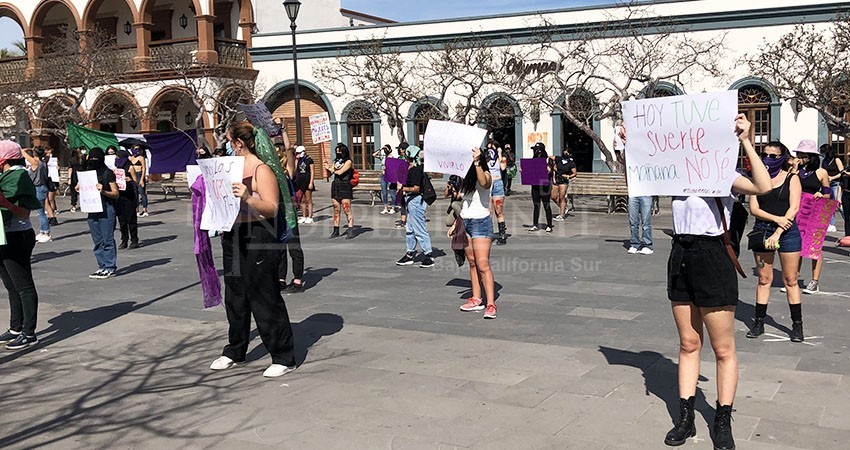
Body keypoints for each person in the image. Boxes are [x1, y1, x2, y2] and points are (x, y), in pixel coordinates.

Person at [645, 115, 771, 450]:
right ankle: (685, 419)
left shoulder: (722, 174)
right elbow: (641, 172)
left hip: (713, 255)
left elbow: (764, 187)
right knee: (688, 343)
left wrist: (746, 140)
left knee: (723, 347)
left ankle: (722, 419)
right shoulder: (674, 173)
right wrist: (633, 142)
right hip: (680, 252)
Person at [209, 122, 297, 378]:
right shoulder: (227, 167)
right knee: (235, 295)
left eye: (228, 141)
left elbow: (272, 208)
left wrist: (248, 197)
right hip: (233, 234)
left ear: (239, 142)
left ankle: (283, 355)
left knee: (263, 294)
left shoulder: (261, 169)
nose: (226, 145)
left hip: (258, 234)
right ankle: (235, 349)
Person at [746, 140, 805, 343]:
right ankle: (759, 321)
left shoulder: (791, 178)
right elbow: (754, 208)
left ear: (782, 158)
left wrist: (779, 231)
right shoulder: (756, 179)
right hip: (762, 231)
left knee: (790, 279)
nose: (768, 159)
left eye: (773, 156)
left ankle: (797, 325)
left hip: (787, 233)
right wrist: (775, 220)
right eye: (765, 155)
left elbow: (794, 208)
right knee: (764, 279)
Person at [0, 140, 45, 350]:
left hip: (17, 236)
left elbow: (24, 211)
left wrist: (6, 204)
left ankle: (29, 332)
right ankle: (16, 327)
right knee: (11, 286)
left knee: (23, 285)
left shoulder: (18, 176)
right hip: (4, 235)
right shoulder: (7, 176)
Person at [454, 146, 498, 319]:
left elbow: (484, 183)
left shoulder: (486, 175)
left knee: (482, 263)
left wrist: (477, 162)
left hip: (481, 222)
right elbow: (464, 201)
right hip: (466, 222)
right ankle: (476, 298)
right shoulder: (466, 179)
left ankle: (491, 304)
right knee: (472, 262)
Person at [787, 140, 831, 294]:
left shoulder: (821, 172)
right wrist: (794, 168)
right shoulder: (795, 172)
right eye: (798, 155)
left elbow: (828, 193)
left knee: (814, 246)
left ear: (812, 157)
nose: (800, 158)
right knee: (795, 246)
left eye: (803, 156)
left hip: (814, 211)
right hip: (797, 210)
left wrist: (821, 194)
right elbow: (788, 186)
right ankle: (793, 278)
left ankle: (814, 281)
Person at [79, 148, 120, 279]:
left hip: (106, 208)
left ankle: (110, 266)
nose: (93, 161)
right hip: (92, 208)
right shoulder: (88, 174)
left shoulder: (108, 173)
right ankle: (101, 265)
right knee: (97, 240)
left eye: (95, 159)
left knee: (107, 238)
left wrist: (103, 191)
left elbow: (116, 194)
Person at [395, 146, 434, 268]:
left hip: (416, 200)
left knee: (419, 228)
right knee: (410, 228)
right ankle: (410, 253)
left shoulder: (416, 169)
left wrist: (403, 189)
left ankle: (428, 255)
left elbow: (416, 188)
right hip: (410, 200)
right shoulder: (409, 168)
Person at [277, 144, 306, 294]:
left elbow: (289, 151)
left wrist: (282, 131)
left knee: (294, 247)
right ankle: (280, 279)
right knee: (279, 249)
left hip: (289, 215)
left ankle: (297, 280)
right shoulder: (269, 172)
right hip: (276, 214)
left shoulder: (287, 172)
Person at [619, 138, 654, 255]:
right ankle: (635, 243)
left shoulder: (648, 158)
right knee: (633, 220)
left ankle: (647, 244)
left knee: (646, 221)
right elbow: (621, 159)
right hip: (634, 192)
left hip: (645, 192)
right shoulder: (630, 158)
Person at [325, 143, 356, 239]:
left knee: (346, 209)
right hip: (336, 185)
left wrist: (331, 169)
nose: (338, 153)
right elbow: (330, 174)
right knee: (336, 209)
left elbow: (340, 172)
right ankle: (336, 230)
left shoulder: (348, 162)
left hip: (345, 185)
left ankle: (350, 229)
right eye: (336, 151)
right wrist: (327, 168)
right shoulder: (336, 161)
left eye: (339, 151)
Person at [23, 148, 51, 243]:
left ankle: (46, 232)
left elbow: (23, 153)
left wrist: (27, 149)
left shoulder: (36, 163)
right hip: (41, 187)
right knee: (40, 211)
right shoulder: (44, 162)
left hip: (38, 187)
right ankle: (43, 231)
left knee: (41, 212)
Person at [115, 149, 140, 250]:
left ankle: (134, 240)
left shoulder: (130, 167)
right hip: (119, 195)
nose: (116, 159)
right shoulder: (116, 169)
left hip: (129, 196)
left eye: (118, 158)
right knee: (122, 220)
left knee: (131, 219)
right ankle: (124, 239)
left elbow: (136, 182)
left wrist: (130, 180)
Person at [486, 140, 508, 245]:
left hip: (498, 183)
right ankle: (488, 234)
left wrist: (499, 153)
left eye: (493, 148)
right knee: (488, 212)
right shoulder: (486, 159)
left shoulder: (501, 158)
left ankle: (502, 234)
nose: (491, 150)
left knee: (498, 211)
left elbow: (503, 167)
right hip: (488, 184)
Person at [528, 143, 553, 232]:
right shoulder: (533, 160)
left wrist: (548, 169)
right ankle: (535, 224)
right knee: (536, 205)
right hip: (535, 185)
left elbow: (551, 170)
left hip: (544, 185)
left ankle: (549, 224)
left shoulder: (547, 160)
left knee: (546, 205)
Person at [822, 144, 844, 232]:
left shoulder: (836, 160)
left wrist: (832, 177)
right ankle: (831, 223)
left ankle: (846, 219)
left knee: (838, 203)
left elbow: (842, 172)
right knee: (828, 204)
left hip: (835, 183)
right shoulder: (824, 161)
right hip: (827, 184)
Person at [551, 147, 577, 221]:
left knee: (562, 196)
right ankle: (564, 207)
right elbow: (549, 157)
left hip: (564, 180)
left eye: (567, 152)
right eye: (564, 152)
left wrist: (568, 176)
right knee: (553, 196)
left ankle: (561, 215)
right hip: (556, 179)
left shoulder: (571, 163)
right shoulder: (559, 159)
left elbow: (574, 173)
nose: (565, 153)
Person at [294, 146, 315, 224]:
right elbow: (295, 170)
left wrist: (311, 182)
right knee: (302, 199)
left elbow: (312, 172)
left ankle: (310, 216)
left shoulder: (309, 160)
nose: (298, 154)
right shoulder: (298, 160)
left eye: (299, 153)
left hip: (307, 179)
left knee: (308, 199)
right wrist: (296, 160)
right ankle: (304, 216)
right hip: (300, 180)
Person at [130, 146, 149, 217]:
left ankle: (145, 209)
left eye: (137, 149)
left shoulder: (141, 157)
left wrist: (142, 179)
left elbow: (144, 168)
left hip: (139, 174)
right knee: (135, 194)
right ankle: (136, 209)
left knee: (142, 192)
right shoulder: (131, 157)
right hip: (133, 175)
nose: (136, 150)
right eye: (134, 149)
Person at [394, 142, 409, 228]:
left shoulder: (404, 159)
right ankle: (403, 219)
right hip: (402, 181)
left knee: (406, 201)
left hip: (405, 182)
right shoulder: (402, 158)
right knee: (403, 201)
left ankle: (405, 219)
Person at [69, 148, 85, 213]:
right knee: (83, 192)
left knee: (73, 192)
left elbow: (70, 169)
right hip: (82, 176)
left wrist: (69, 179)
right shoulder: (82, 160)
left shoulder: (71, 160)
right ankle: (84, 205)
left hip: (74, 176)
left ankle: (73, 206)